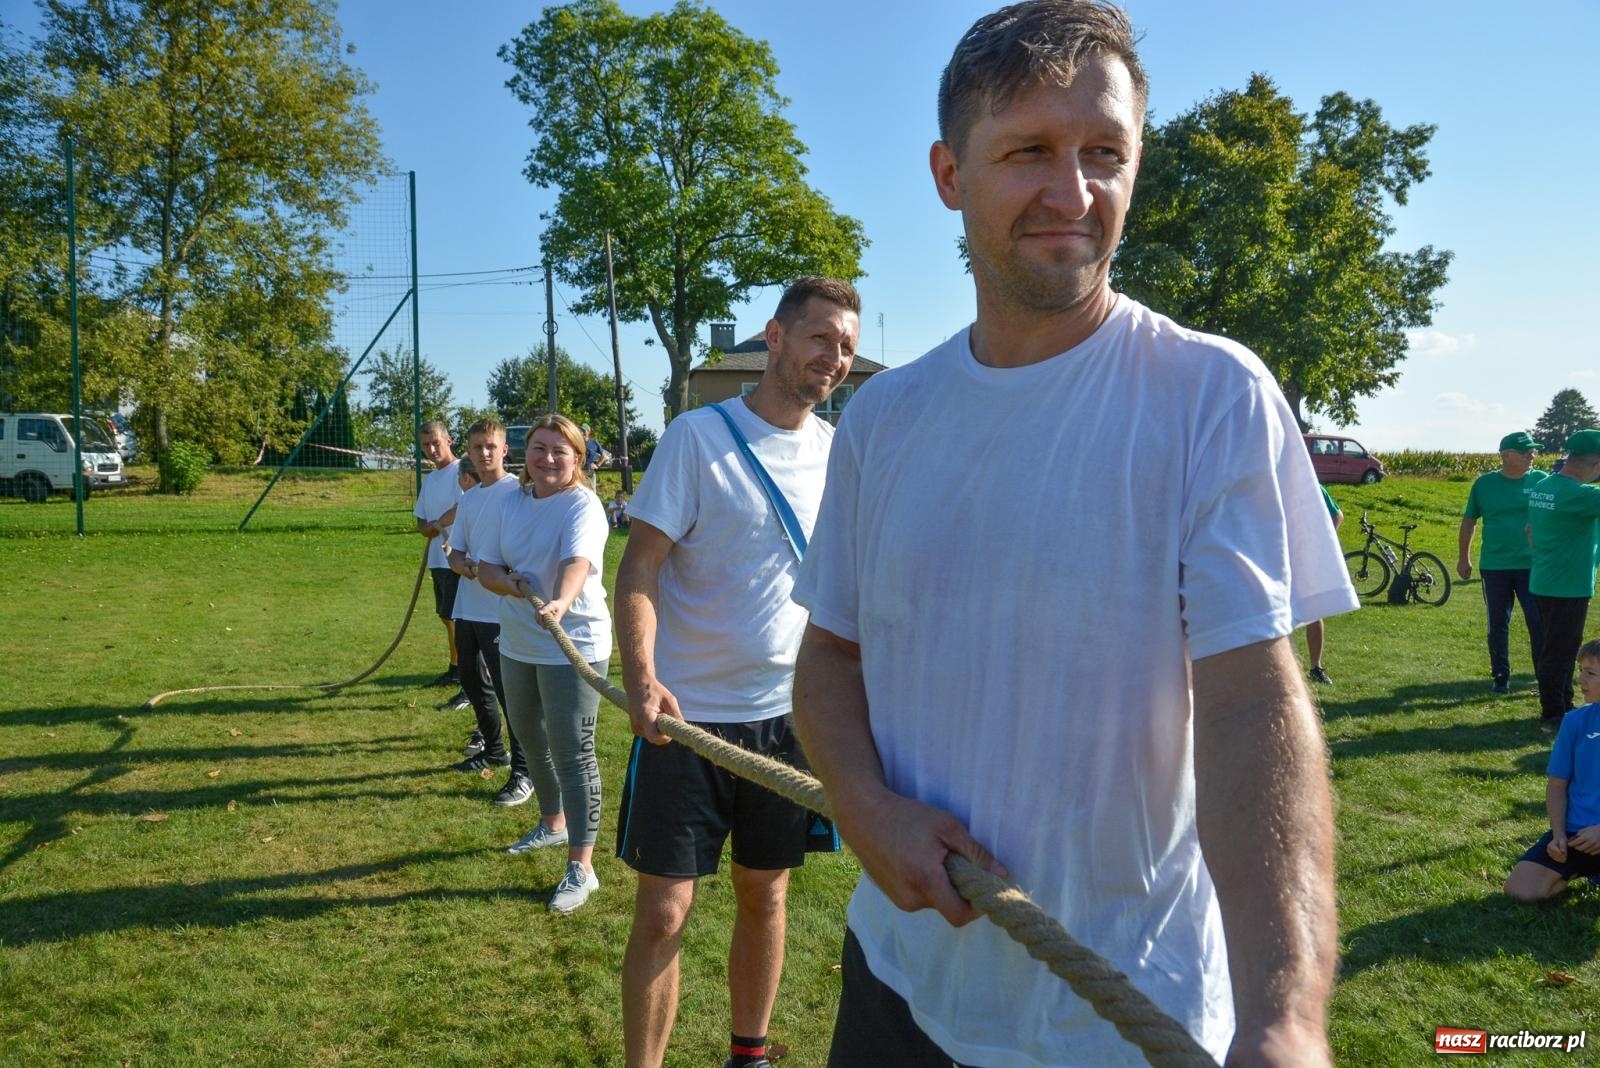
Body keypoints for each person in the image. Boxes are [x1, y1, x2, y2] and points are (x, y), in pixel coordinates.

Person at [789, 5, 1356, 1065]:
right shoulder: (882, 419)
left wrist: (1283, 1015)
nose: (1074, 192)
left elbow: (1253, 701)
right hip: (897, 984)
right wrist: (865, 809)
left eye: (1105, 152)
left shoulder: (1210, 395)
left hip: (1117, 1016)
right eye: (1029, 152)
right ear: (949, 175)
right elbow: (828, 658)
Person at [614, 275, 861, 1068]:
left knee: (767, 890)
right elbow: (640, 567)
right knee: (664, 911)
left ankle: (748, 1055)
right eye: (821, 337)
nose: (835, 358)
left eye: (847, 347)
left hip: (789, 719)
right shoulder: (698, 437)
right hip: (686, 721)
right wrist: (642, 676)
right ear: (774, 337)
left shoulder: (838, 453)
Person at [475, 414, 612, 912]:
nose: (548, 458)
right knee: (530, 739)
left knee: (573, 752)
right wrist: (510, 585)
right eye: (539, 447)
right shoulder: (510, 500)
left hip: (573, 640)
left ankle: (583, 867)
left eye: (560, 450)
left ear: (577, 459)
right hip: (518, 640)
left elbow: (577, 563)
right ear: (524, 453)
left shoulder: (582, 505)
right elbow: (486, 566)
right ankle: (553, 823)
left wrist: (559, 602)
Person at [445, 418, 533, 805]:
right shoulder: (468, 498)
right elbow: (456, 551)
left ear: (504, 450)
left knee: (510, 692)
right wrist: (461, 565)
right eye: (477, 447)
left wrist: (498, 572)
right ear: (468, 451)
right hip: (469, 606)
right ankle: (494, 751)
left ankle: (525, 771)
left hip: (503, 611)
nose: (484, 453)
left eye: (490, 446)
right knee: (470, 679)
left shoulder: (518, 493)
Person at [1504, 638, 1600, 902]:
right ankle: (1579, 869)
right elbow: (1557, 785)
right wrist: (1558, 836)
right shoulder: (1574, 721)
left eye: (1590, 673)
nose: (1580, 679)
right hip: (1576, 834)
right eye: (1580, 671)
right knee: (1519, 890)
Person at [1457, 431, 1548, 695]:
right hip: (1495, 566)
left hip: (1532, 566)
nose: (1532, 455)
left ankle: (1544, 675)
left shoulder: (1542, 481)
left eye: (1533, 450)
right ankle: (1500, 675)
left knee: (1538, 621)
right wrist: (1463, 557)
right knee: (1497, 622)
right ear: (1506, 455)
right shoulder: (1484, 484)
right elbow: (1469, 520)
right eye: (1526, 451)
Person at [1528, 429, 1600, 729]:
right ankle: (1554, 712)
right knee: (1561, 652)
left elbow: (1529, 532)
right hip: (1568, 585)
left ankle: (1562, 704)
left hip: (1544, 579)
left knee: (1553, 649)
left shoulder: (1543, 486)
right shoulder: (1580, 495)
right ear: (1596, 464)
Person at [413, 420, 468, 710]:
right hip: (438, 559)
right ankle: (456, 667)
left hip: (457, 557)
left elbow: (465, 505)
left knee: (461, 619)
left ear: (448, 441)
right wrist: (429, 526)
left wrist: (437, 523)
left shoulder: (462, 472)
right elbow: (421, 519)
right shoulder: (431, 479)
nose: (432, 449)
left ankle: (469, 676)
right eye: (426, 445)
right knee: (447, 617)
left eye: (436, 443)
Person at [1307, 484, 1345, 685]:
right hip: (1274, 557)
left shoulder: (1312, 485)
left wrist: (1324, 542)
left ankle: (1316, 667)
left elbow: (1337, 515)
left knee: (1314, 611)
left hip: (1307, 557)